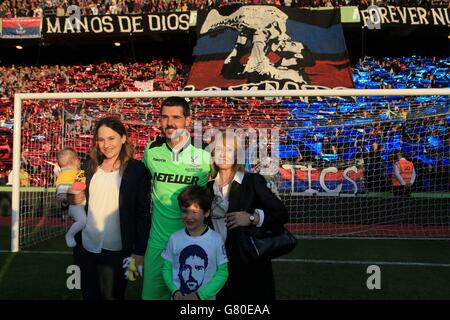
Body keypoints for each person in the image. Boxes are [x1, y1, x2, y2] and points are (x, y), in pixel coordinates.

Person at [64, 117, 151, 300]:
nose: (106, 144)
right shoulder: (88, 164)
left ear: (123, 138)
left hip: (119, 250)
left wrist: (139, 251)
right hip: (86, 248)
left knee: (113, 296)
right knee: (89, 296)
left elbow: (143, 213)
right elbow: (71, 198)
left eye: (111, 138)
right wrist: (70, 197)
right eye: (101, 139)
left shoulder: (138, 170)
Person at [142, 97, 211, 300]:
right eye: (164, 117)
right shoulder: (151, 150)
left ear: (188, 120)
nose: (170, 123)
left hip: (193, 244)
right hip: (158, 243)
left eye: (176, 117)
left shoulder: (205, 153)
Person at [206, 132, 289, 300]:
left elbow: (281, 213)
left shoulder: (253, 181)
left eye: (228, 149)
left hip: (250, 264)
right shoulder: (207, 188)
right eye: (218, 149)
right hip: (218, 265)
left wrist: (253, 218)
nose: (222, 154)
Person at [161, 185, 228, 300]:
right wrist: (174, 291)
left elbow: (222, 273)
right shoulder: (174, 239)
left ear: (206, 212)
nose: (189, 216)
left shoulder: (216, 239)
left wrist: (200, 296)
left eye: (194, 212)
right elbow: (166, 269)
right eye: (185, 211)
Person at [55, 148, 87, 248]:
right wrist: (67, 196)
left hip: (83, 202)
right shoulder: (65, 175)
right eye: (78, 159)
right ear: (74, 161)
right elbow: (60, 193)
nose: (79, 162)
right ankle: (69, 235)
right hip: (76, 206)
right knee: (82, 221)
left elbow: (83, 184)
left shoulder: (78, 172)